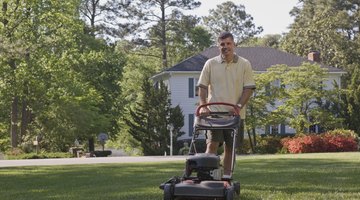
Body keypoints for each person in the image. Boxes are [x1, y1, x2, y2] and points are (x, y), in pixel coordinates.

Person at [197, 31, 256, 178]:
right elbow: (202, 86)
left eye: (228, 43)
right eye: (222, 44)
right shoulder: (210, 63)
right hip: (214, 114)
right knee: (212, 144)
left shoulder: (244, 64)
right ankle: (206, 175)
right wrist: (203, 105)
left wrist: (238, 106)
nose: (225, 47)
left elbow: (248, 88)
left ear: (234, 45)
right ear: (218, 46)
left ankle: (227, 176)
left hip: (234, 114)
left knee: (230, 147)